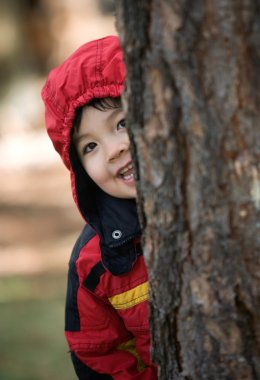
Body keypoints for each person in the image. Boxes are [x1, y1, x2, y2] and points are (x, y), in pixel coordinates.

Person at [41, 36, 158, 379]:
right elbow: (98, 353)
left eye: (122, 124)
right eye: (90, 146)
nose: (113, 150)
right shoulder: (94, 260)